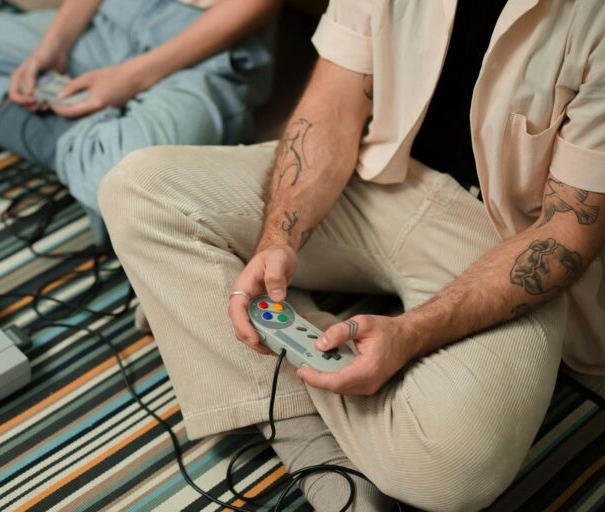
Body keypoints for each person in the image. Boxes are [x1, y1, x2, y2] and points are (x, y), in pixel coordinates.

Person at [98, 0, 605, 510]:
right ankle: (313, 451)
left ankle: (206, 312)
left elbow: (568, 231)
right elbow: (332, 104)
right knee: (136, 190)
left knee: (454, 473)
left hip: (500, 236)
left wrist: (411, 333)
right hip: (374, 176)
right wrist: (279, 238)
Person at [0, 0, 278, 231]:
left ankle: (67, 140)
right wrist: (54, 46)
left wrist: (132, 78)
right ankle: (78, 148)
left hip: (205, 50)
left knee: (134, 182)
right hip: (116, 18)